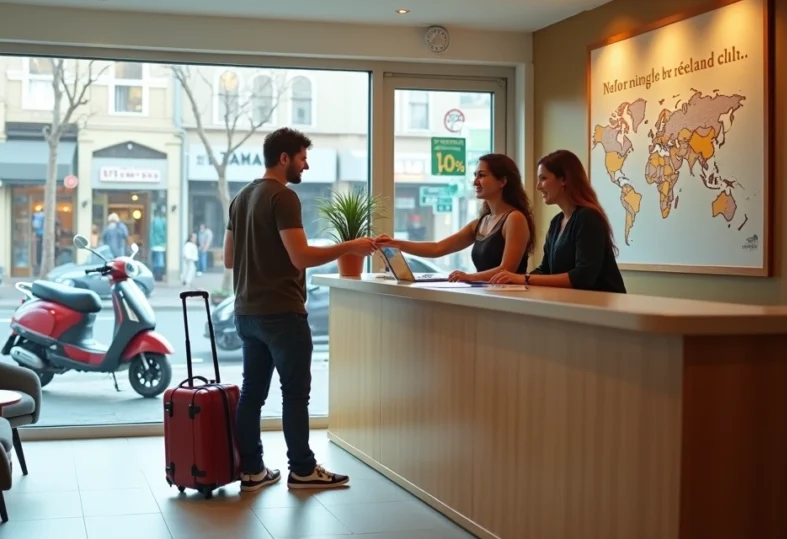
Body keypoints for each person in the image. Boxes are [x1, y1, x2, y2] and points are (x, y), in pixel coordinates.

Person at [225, 127, 374, 492]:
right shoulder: (283, 197)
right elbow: (302, 256)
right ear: (285, 158)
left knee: (252, 395)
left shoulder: (240, 197)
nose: (306, 166)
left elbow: (229, 259)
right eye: (303, 159)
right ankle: (303, 469)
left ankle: (252, 471)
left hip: (247, 312)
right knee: (295, 394)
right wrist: (349, 246)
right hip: (283, 311)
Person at [376, 153, 534, 281]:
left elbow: (506, 270)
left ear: (503, 181)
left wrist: (469, 277)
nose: (475, 182)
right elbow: (437, 248)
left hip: (511, 300)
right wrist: (395, 243)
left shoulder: (515, 219)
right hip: (488, 296)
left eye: (482, 175)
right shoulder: (479, 223)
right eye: (475, 175)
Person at [490, 149, 626, 293]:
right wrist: (513, 280)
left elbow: (583, 276)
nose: (538, 186)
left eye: (543, 178)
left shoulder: (588, 217)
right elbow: (545, 270)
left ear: (563, 179)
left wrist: (523, 279)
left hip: (603, 310)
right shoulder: (556, 222)